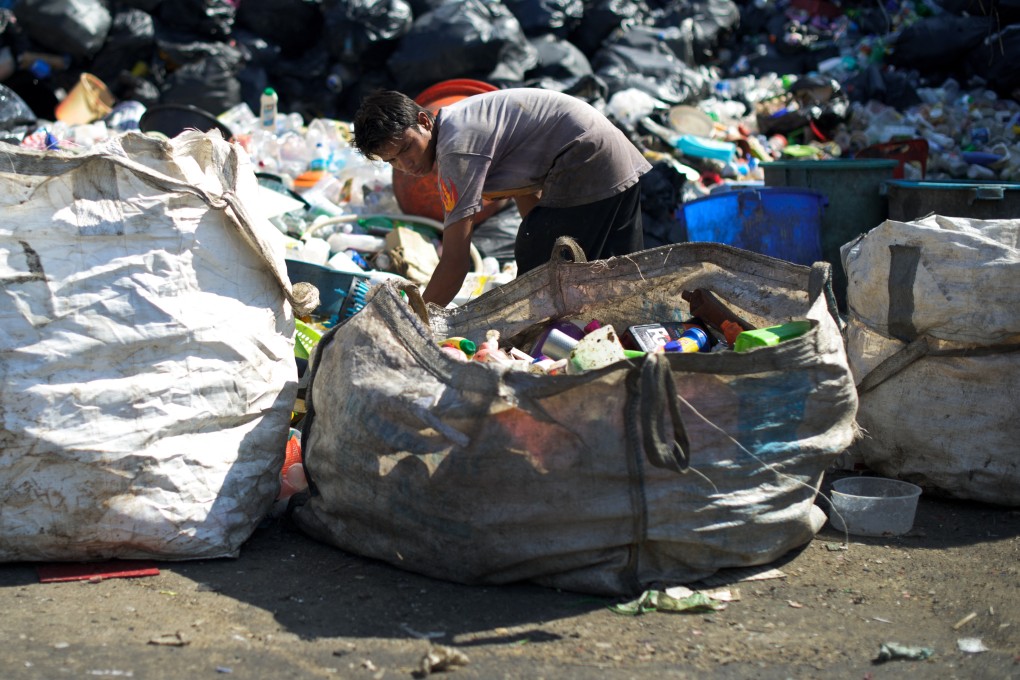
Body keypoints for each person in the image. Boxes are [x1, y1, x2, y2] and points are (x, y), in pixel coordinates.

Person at [352, 87, 652, 306]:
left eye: (405, 149)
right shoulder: (458, 123)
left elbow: (456, 262)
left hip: (588, 159)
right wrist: (539, 241)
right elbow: (526, 189)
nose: (406, 166)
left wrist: (416, 320)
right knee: (624, 279)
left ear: (424, 121)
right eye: (391, 161)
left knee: (543, 278)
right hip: (614, 156)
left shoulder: (455, 149)